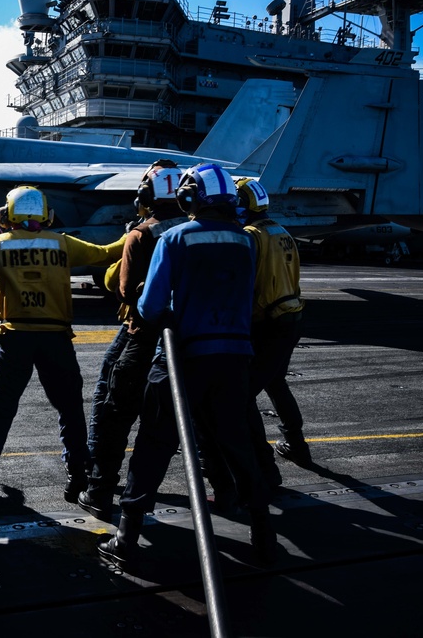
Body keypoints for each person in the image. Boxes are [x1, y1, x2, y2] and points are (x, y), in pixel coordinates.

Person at [97, 163, 277, 569]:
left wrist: (147, 293)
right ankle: (263, 532)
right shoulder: (246, 241)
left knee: (154, 445)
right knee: (237, 444)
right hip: (234, 359)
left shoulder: (176, 238)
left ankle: (126, 538)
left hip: (183, 360)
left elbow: (149, 308)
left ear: (189, 197)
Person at [0, 185, 124, 525]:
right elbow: (107, 253)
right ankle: (78, 478)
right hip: (56, 340)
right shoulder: (62, 243)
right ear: (45, 214)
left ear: (8, 214)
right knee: (70, 410)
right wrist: (138, 230)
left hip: (13, 340)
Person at [79, 160, 188, 521]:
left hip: (142, 334)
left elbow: (124, 290)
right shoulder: (195, 229)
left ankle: (99, 489)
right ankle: (230, 489)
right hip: (187, 338)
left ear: (146, 195)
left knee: (112, 410)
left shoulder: (142, 234)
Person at [237, 178, 310, 465]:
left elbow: (245, 283)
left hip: (267, 323)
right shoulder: (282, 231)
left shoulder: (250, 235)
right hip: (291, 318)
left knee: (242, 393)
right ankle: (295, 443)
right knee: (276, 383)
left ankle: (257, 461)